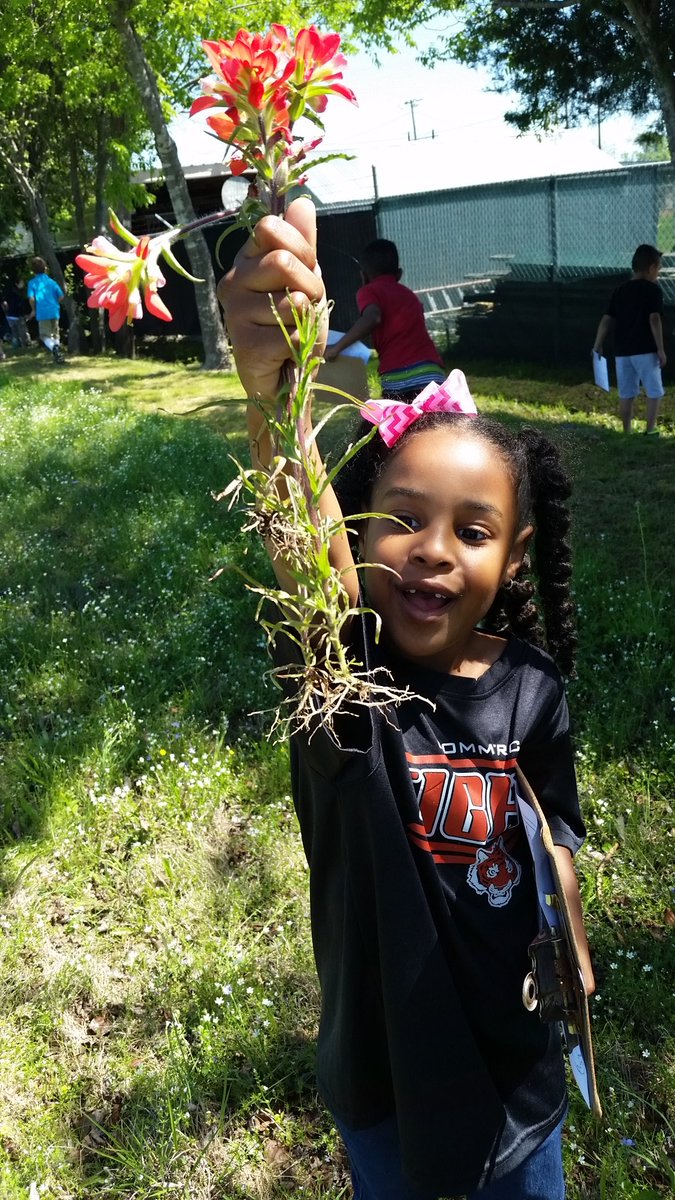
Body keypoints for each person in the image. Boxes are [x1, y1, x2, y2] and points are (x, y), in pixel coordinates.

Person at [220, 198, 595, 1200]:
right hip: (386, 1076)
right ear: (357, 529)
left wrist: (569, 935)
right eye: (402, 518)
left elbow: (552, 830)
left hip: (520, 1078)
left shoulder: (533, 686)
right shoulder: (351, 688)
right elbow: (306, 562)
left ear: (513, 553)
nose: (431, 549)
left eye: (472, 530)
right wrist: (273, 399)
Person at [324, 237, 445, 400]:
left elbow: (373, 317)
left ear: (363, 276)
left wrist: (336, 347)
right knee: (434, 417)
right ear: (399, 274)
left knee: (398, 417)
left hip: (399, 376)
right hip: (432, 372)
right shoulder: (409, 295)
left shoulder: (369, 290)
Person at [593, 243, 666, 435]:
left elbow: (607, 318)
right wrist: (660, 348)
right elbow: (654, 318)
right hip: (646, 350)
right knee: (654, 391)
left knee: (626, 393)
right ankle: (650, 430)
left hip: (623, 352)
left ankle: (626, 431)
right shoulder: (653, 290)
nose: (658, 273)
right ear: (651, 268)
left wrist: (598, 343)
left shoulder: (620, 290)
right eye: (658, 269)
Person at [26, 257, 66, 364]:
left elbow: (31, 298)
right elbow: (61, 296)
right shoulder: (51, 282)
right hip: (54, 310)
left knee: (44, 335)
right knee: (55, 334)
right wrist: (55, 303)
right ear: (45, 268)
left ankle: (54, 349)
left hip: (42, 312)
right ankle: (58, 354)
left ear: (33, 270)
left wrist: (33, 310)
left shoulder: (32, 283)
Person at [2, 278, 32, 349]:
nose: (23, 284)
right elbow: (20, 305)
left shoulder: (8, 292)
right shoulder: (18, 293)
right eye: (21, 283)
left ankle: (16, 345)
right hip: (17, 315)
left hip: (9, 315)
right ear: (17, 284)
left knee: (14, 332)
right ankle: (26, 344)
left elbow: (5, 303)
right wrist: (24, 313)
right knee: (23, 331)